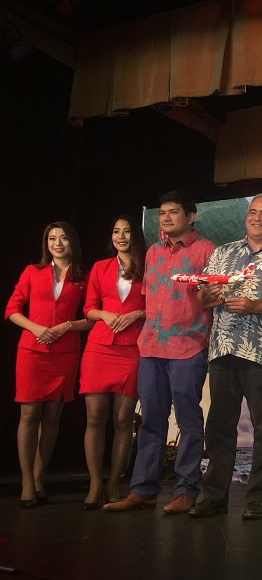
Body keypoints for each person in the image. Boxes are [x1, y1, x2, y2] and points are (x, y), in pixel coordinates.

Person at [188, 194, 262, 521]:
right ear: (246, 217)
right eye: (253, 212)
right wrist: (206, 294)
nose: (257, 217)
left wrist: (254, 306)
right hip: (222, 349)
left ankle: (257, 497)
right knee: (220, 424)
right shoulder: (223, 253)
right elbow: (202, 295)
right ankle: (214, 496)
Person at [103, 191, 214, 514]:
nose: (165, 218)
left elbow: (215, 297)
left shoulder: (206, 250)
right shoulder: (152, 252)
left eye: (173, 212)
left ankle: (186, 490)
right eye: (162, 213)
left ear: (190, 217)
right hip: (151, 347)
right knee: (150, 420)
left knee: (189, 420)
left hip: (189, 347)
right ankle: (143, 489)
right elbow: (147, 298)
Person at [5, 221, 91, 507]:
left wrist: (67, 326)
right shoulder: (33, 271)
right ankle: (26, 481)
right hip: (32, 351)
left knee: (53, 416)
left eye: (63, 238)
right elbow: (12, 310)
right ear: (46, 243)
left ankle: (40, 477)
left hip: (65, 353)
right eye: (52, 238)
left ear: (72, 242)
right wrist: (35, 328)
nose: (57, 243)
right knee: (29, 415)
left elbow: (90, 317)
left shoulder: (83, 276)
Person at [80, 215, 147, 509]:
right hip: (99, 347)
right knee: (95, 416)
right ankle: (95, 482)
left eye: (127, 231)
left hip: (132, 348)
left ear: (136, 235)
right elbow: (89, 308)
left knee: (123, 419)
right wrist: (104, 315)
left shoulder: (147, 267)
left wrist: (138, 314)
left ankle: (113, 482)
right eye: (116, 231)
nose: (121, 236)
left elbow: (156, 305)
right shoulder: (100, 267)